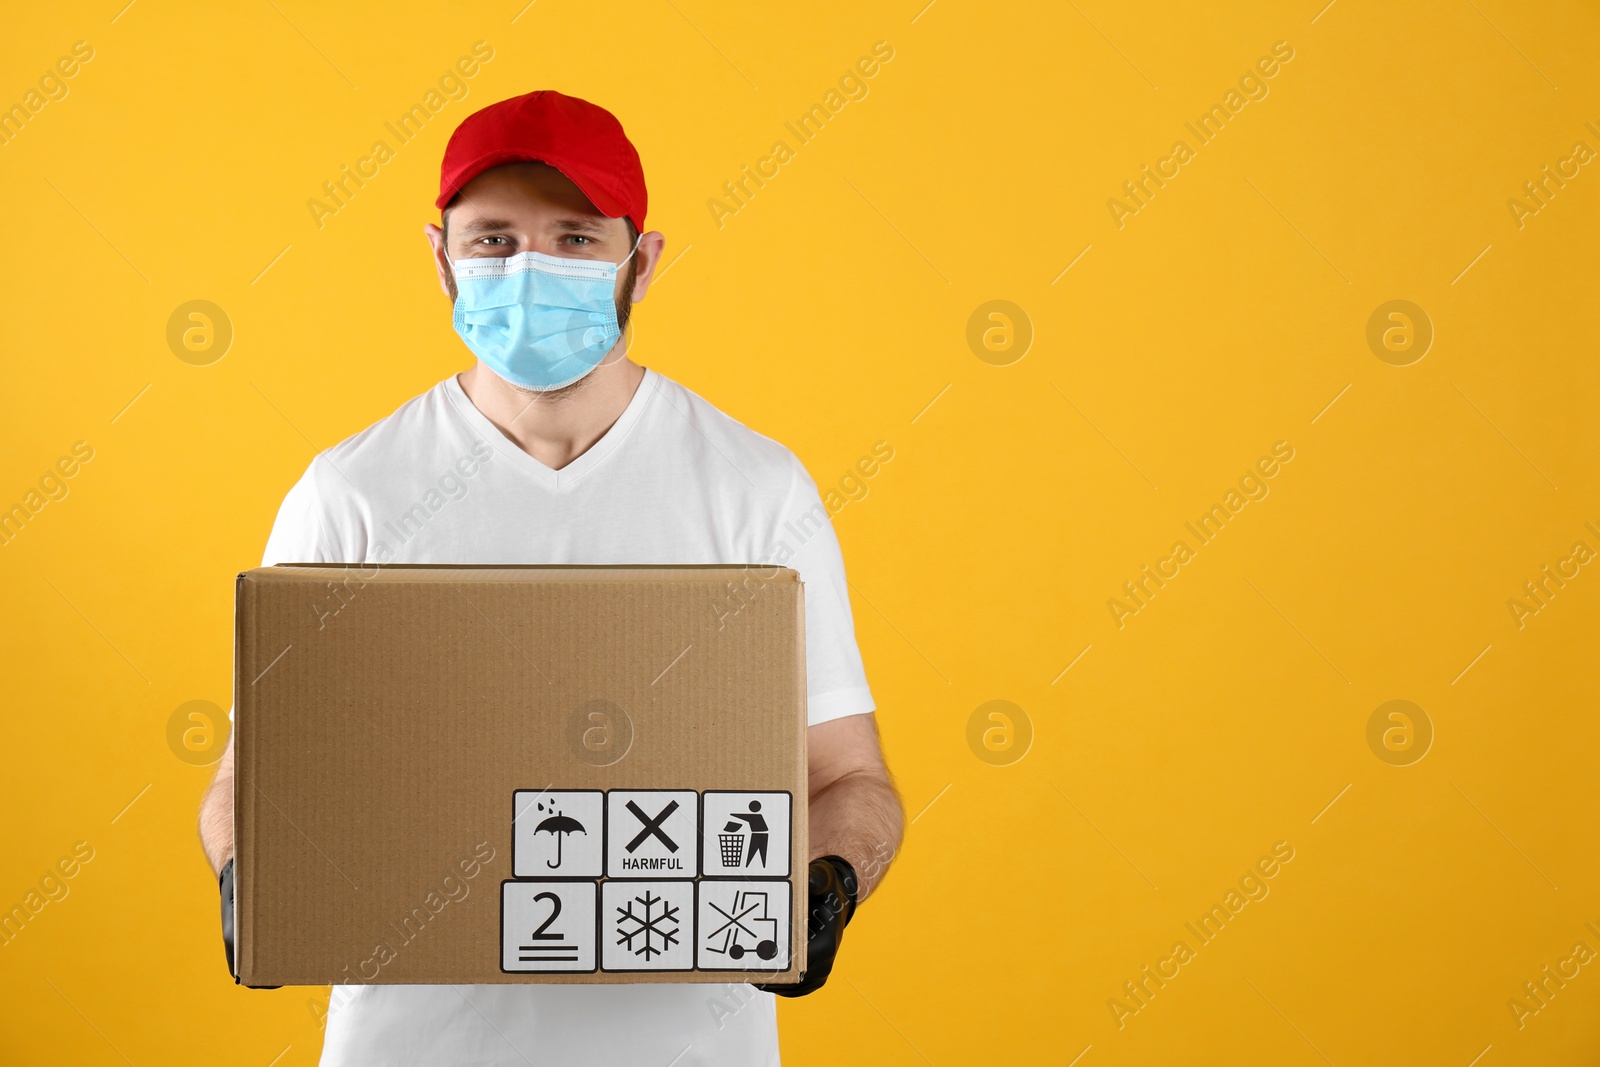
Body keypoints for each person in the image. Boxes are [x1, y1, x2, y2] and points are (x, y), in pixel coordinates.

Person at [196, 89, 903, 1066]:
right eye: (493, 239)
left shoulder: (754, 488)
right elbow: (250, 778)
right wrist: (248, 874)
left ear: (640, 262)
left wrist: (827, 880)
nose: (528, 272)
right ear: (439, 258)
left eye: (573, 239)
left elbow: (847, 775)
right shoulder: (352, 495)